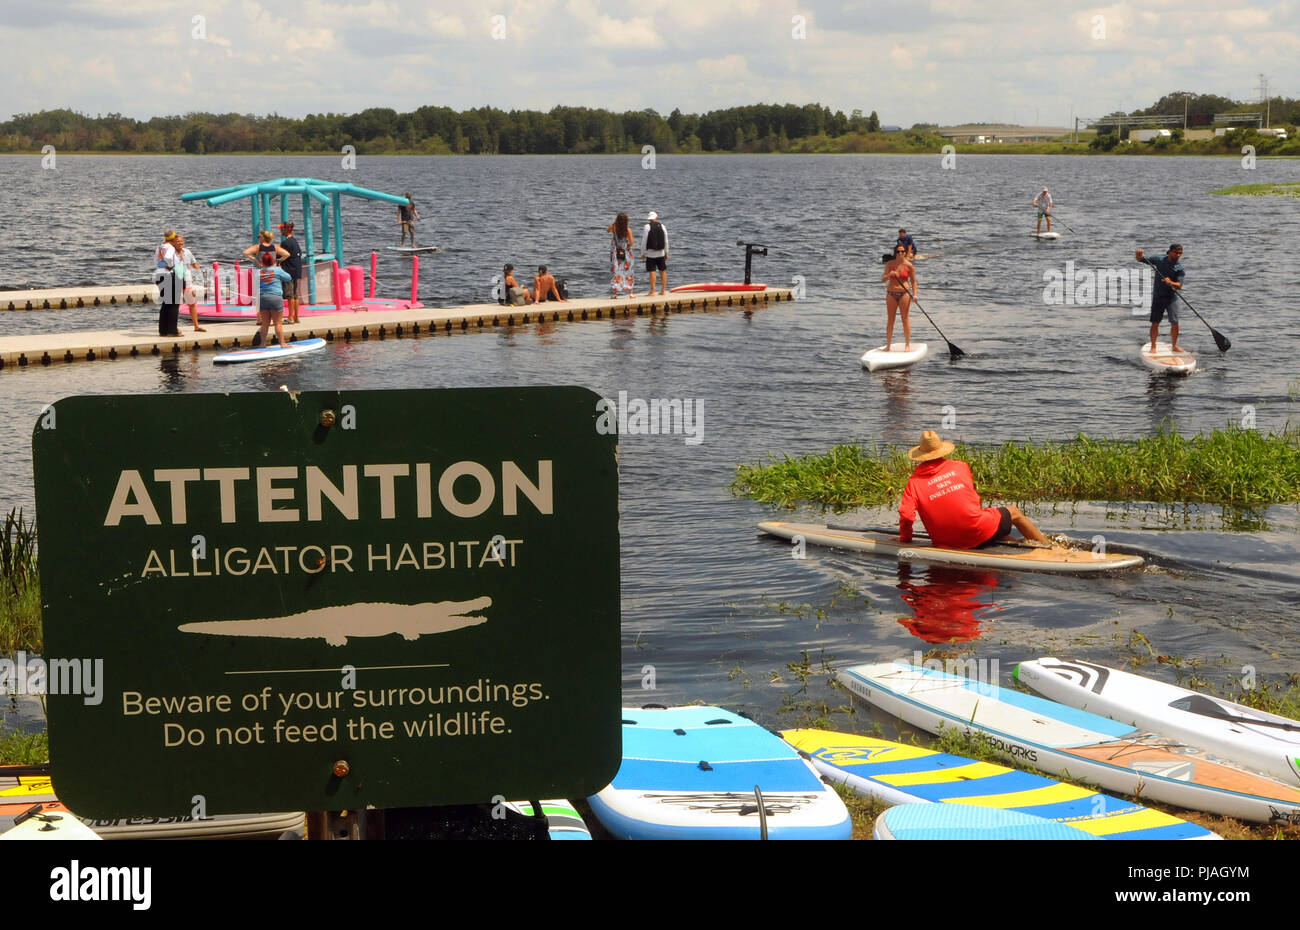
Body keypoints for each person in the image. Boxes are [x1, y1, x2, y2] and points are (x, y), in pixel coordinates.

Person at [899, 430, 1054, 549]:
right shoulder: (960, 466)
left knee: (991, 532)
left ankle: (1021, 546)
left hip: (944, 541)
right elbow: (971, 498)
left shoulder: (914, 482)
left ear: (920, 456)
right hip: (974, 529)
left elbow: (906, 516)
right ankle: (1048, 548)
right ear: (942, 450)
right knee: (1014, 512)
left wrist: (905, 540)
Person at [1136, 244, 1186, 353]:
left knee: (1175, 322)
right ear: (1170, 252)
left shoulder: (1180, 268)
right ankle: (1153, 346)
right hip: (1158, 296)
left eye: (1180, 253)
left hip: (1172, 298)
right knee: (1155, 322)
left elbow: (1179, 285)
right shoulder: (1159, 259)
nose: (1178, 255)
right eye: (1176, 252)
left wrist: (1171, 282)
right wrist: (1138, 254)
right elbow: (1141, 259)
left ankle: (1174, 345)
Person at [251, 251, 292, 348]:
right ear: (273, 261)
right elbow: (288, 278)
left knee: (265, 323)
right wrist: (280, 269)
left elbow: (255, 285)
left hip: (262, 298)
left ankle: (262, 344)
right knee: (278, 323)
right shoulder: (277, 270)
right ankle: (282, 343)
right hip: (275, 297)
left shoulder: (258, 273)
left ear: (262, 262)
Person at [880, 243, 915, 349]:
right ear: (895, 252)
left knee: (905, 319)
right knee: (891, 319)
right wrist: (889, 275)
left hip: (904, 294)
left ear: (905, 253)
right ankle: (888, 345)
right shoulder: (890, 264)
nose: (900, 253)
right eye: (898, 251)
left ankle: (907, 345)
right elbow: (883, 280)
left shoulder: (909, 265)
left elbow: (913, 282)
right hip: (891, 294)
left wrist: (915, 295)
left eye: (902, 251)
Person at [173, 233, 206, 332]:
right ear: (173, 243)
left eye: (181, 241)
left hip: (188, 281)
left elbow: (194, 264)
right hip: (177, 280)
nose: (180, 243)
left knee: (192, 303)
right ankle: (174, 327)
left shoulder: (187, 252)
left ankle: (196, 326)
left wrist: (201, 273)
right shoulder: (172, 254)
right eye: (178, 241)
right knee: (176, 305)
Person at [154, 229, 182, 337]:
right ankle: (172, 330)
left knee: (166, 303)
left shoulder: (159, 247)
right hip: (168, 274)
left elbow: (155, 261)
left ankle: (163, 330)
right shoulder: (170, 248)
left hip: (159, 274)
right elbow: (168, 257)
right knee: (174, 304)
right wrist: (171, 265)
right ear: (172, 239)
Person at [277, 222, 303, 324]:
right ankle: (296, 317)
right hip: (296, 270)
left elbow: (280, 256)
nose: (280, 231)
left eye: (282, 229)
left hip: (288, 271)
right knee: (295, 295)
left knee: (289, 295)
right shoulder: (294, 241)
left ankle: (290, 317)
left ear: (286, 230)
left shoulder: (285, 243)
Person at [641, 210, 669, 295]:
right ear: (656, 218)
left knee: (652, 271)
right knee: (662, 270)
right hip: (661, 252)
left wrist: (643, 253)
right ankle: (663, 290)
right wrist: (666, 253)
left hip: (650, 253)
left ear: (649, 219)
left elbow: (644, 241)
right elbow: (666, 241)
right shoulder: (662, 226)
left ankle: (652, 291)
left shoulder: (647, 226)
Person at [608, 213, 635, 297]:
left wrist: (614, 224)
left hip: (616, 254)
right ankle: (631, 293)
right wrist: (627, 246)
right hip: (626, 253)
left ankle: (615, 294)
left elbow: (607, 230)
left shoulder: (614, 228)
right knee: (629, 272)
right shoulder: (628, 230)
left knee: (617, 272)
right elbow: (632, 243)